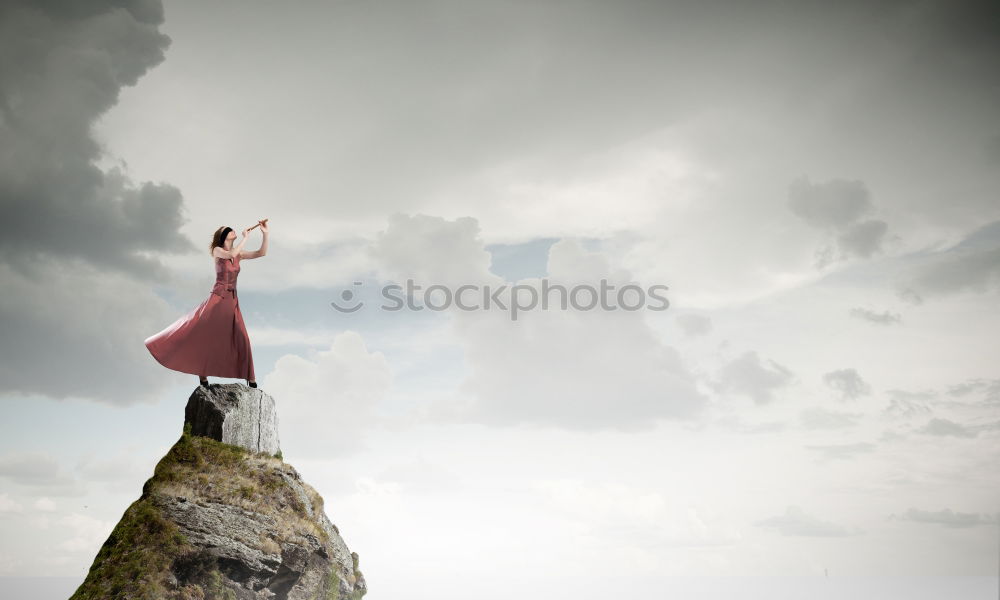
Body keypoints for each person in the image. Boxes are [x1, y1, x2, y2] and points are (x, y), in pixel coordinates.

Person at [144, 220, 269, 388]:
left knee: (242, 337)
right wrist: (246, 238)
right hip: (217, 299)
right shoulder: (218, 251)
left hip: (232, 301)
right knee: (205, 335)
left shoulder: (239, 253)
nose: (233, 230)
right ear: (223, 236)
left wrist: (265, 233)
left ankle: (250, 378)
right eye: (228, 230)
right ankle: (202, 375)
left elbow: (262, 253)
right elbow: (231, 255)